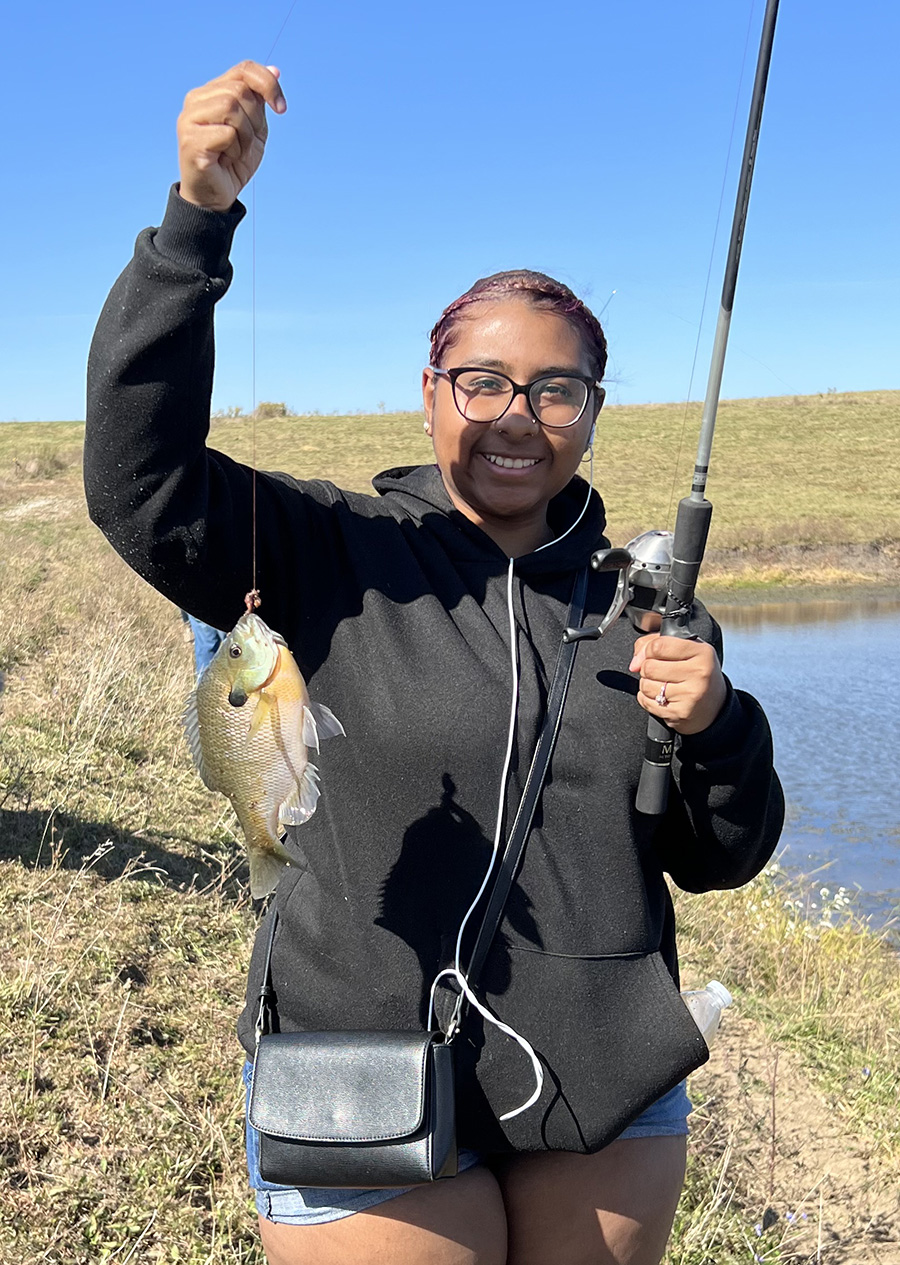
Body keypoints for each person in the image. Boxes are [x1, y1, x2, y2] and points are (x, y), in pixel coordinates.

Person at [84, 62, 784, 1265]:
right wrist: (196, 220)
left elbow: (721, 855)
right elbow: (136, 480)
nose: (518, 414)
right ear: (430, 396)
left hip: (605, 1083)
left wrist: (719, 724)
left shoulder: (652, 608)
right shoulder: (326, 550)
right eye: (484, 382)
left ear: (592, 409)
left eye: (555, 388)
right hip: (355, 1060)